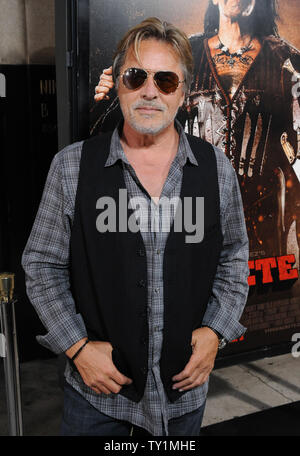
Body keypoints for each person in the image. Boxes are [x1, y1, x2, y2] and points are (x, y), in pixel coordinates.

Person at [22, 17, 249, 437]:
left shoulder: (216, 169)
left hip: (184, 398)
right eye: (135, 76)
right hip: (98, 401)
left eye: (165, 80)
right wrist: (78, 348)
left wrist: (217, 330)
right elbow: (41, 265)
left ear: (182, 92)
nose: (149, 91)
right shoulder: (72, 166)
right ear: (118, 84)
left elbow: (234, 257)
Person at [95, 0, 300, 261]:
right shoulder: (183, 55)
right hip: (190, 212)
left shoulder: (287, 61)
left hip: (262, 221)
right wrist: (112, 97)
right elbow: (134, 126)